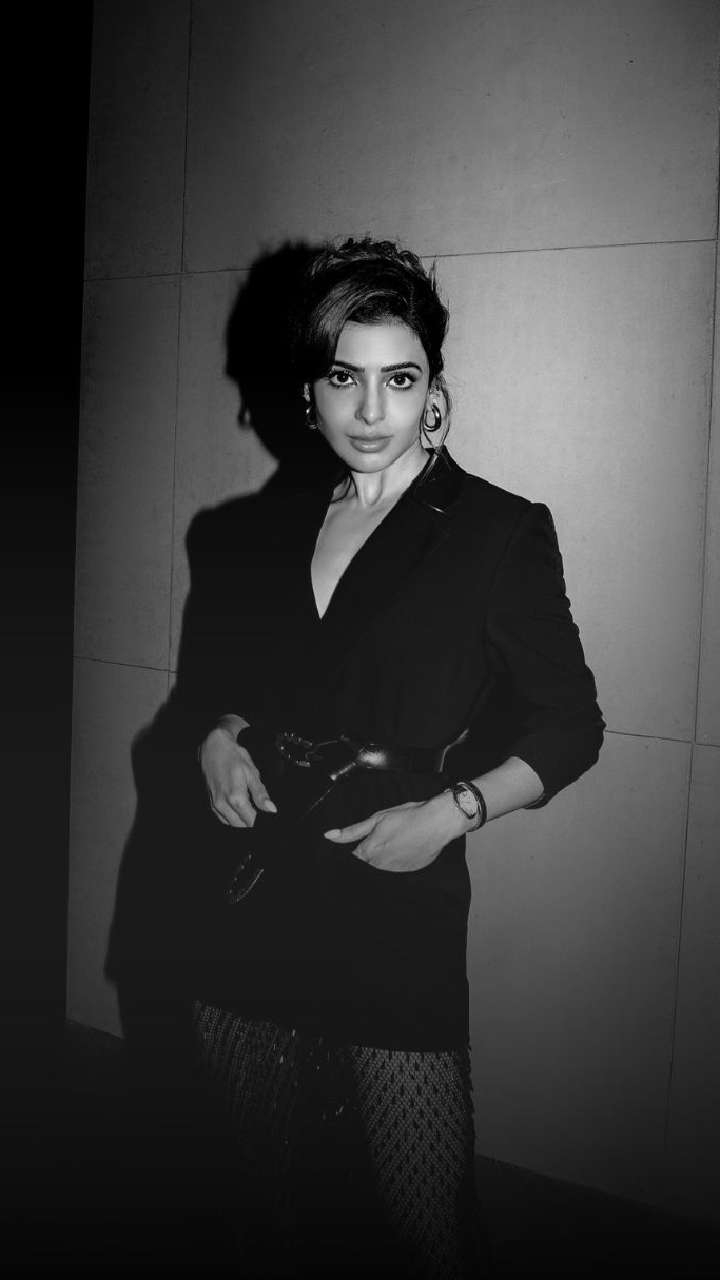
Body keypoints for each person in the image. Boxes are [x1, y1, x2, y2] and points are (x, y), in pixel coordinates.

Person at [177, 238, 604, 1278]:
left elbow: (571, 724)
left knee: (426, 1224)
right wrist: (218, 738)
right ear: (309, 393)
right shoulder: (260, 530)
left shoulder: (497, 531)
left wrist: (452, 812)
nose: (372, 410)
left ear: (434, 391)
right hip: (253, 889)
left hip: (394, 895)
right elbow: (234, 684)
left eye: (399, 379)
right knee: (257, 1193)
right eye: (344, 378)